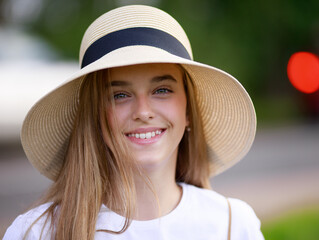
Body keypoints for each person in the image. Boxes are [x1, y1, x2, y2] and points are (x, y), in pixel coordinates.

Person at [3, 5, 263, 240]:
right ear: (93, 117)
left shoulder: (232, 225)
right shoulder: (37, 233)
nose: (143, 111)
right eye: (119, 95)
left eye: (162, 90)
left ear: (188, 112)